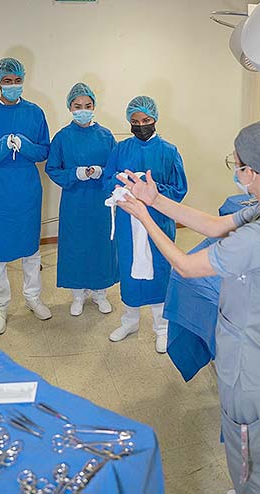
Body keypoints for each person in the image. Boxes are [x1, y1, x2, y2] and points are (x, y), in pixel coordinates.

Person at [114, 121, 260, 494]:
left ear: (252, 172)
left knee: (247, 456)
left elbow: (186, 266)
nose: (235, 170)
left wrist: (144, 218)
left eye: (235, 163)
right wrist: (154, 200)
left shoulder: (259, 237)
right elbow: (213, 225)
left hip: (249, 369)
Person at [0, 57, 52, 335]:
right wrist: (1, 148)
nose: (13, 85)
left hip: (27, 190)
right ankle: (0, 307)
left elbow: (44, 151)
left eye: (17, 81)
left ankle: (33, 298)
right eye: (7, 81)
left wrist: (25, 146)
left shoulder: (34, 112)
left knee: (31, 249)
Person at [104, 96, 187, 354]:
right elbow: (106, 181)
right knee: (130, 270)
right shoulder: (120, 149)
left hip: (158, 222)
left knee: (159, 270)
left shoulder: (169, 151)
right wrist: (124, 186)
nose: (141, 125)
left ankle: (162, 327)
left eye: (146, 120)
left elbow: (179, 189)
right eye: (135, 121)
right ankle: (129, 321)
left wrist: (151, 190)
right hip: (128, 222)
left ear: (155, 119)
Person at [45, 82, 118, 316]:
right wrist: (75, 174)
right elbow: (52, 168)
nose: (83, 110)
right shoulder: (62, 137)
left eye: (87, 105)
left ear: (94, 106)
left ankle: (100, 293)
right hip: (74, 202)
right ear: (70, 107)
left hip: (100, 201)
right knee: (75, 245)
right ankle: (77, 295)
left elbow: (116, 168)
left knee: (100, 244)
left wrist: (101, 172)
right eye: (78, 106)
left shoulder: (106, 136)